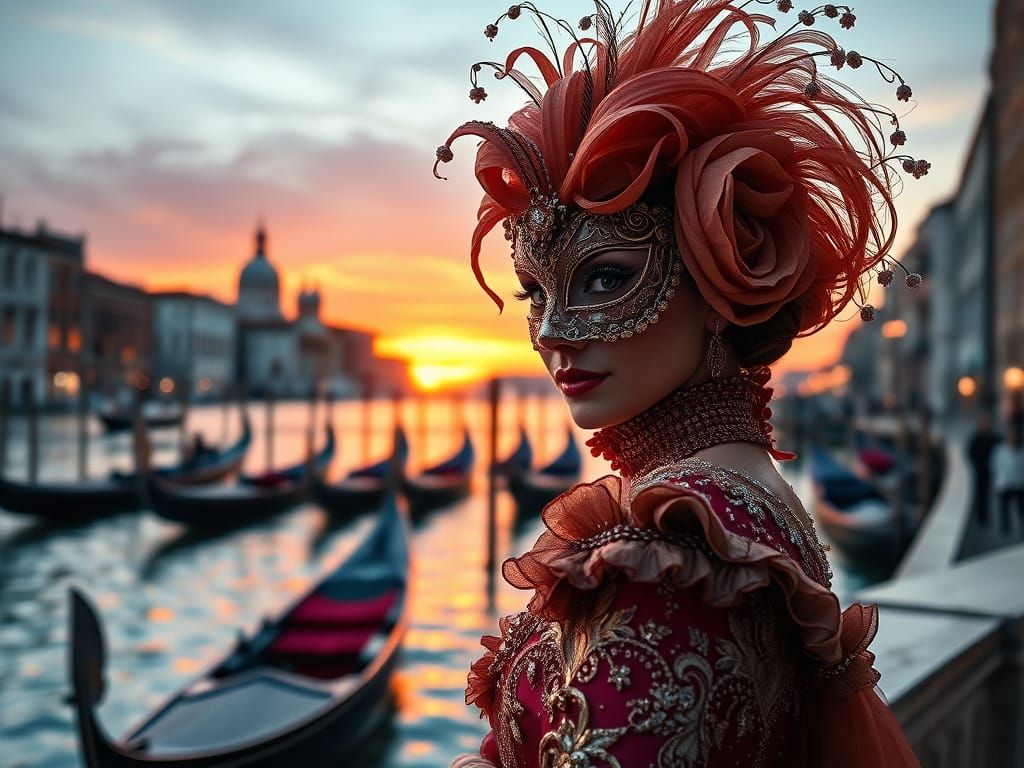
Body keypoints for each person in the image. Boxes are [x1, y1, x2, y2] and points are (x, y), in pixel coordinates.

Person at [437, 2, 924, 766]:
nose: (554, 331)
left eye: (604, 278)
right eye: (535, 294)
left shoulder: (669, 557)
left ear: (717, 276)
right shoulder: (747, 508)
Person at [992, 416, 1024, 536]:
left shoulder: (1021, 450)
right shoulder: (1000, 451)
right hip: (1005, 484)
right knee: (1004, 509)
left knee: (1020, 508)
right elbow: (995, 466)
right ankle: (1005, 529)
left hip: (1019, 483)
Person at [968, 412, 1000, 527]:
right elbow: (970, 452)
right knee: (981, 494)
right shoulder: (977, 438)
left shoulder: (995, 438)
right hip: (980, 471)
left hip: (993, 470)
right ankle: (982, 518)